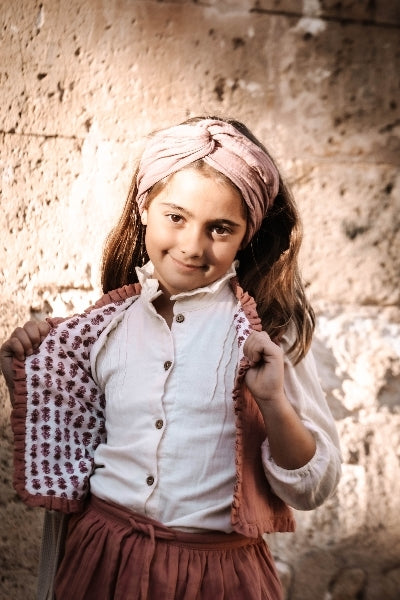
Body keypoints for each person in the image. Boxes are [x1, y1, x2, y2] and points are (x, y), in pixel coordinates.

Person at [1, 116, 341, 600]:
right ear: (144, 208)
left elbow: (312, 487)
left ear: (248, 235)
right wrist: (30, 367)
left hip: (215, 578)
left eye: (220, 228)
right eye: (176, 217)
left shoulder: (266, 338)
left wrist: (273, 401)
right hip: (101, 562)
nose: (192, 246)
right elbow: (74, 441)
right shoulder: (103, 327)